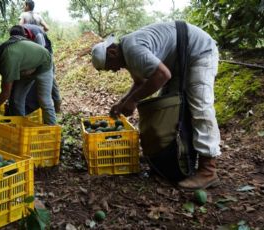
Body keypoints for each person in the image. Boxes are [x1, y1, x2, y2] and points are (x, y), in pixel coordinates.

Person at [91, 21, 221, 190]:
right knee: (169, 109)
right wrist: (123, 101)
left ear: (112, 51)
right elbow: (141, 82)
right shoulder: (127, 53)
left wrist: (134, 100)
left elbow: (162, 75)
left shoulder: (132, 50)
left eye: (110, 67)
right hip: (178, 61)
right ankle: (172, 156)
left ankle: (208, 170)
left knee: (200, 108)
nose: (114, 71)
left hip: (198, 51)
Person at [0, 38, 56, 125]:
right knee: (16, 100)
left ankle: (53, 130)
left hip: (43, 63)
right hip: (24, 69)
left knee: (44, 100)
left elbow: (5, 94)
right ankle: (21, 128)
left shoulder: (7, 58)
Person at [9, 25, 62, 113]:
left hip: (45, 54)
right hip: (33, 53)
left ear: (25, 35)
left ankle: (57, 103)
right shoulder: (17, 33)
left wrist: (30, 71)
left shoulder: (37, 35)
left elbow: (41, 55)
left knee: (49, 76)